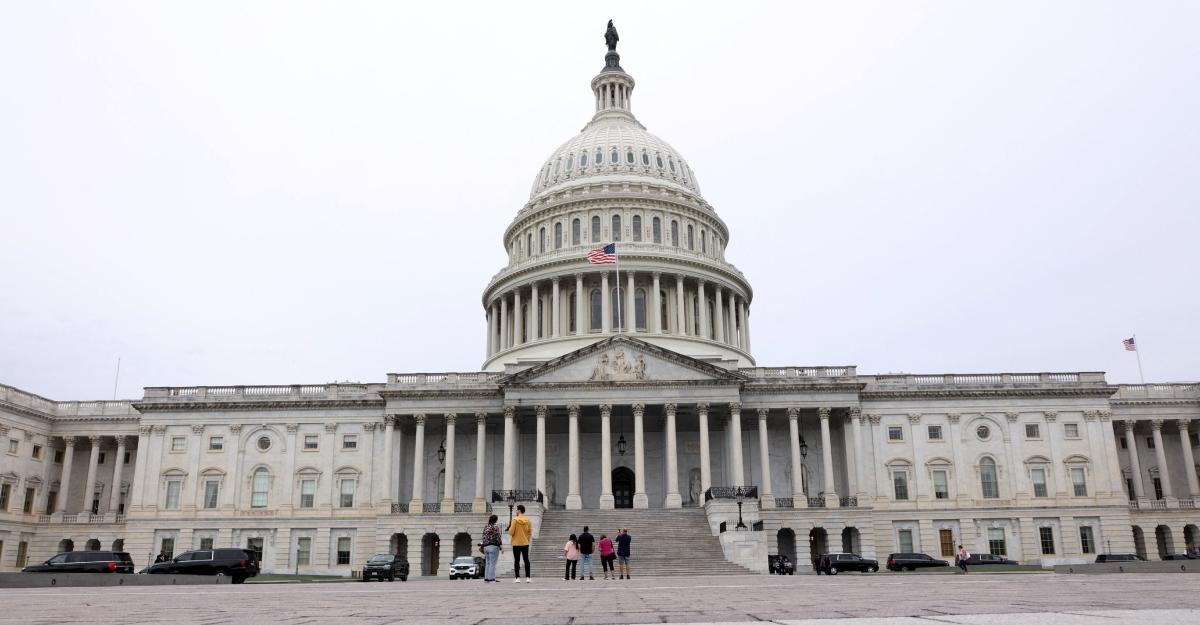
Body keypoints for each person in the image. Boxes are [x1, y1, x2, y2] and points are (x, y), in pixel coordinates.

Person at [508, 504, 533, 582]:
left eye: (516, 510)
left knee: (517, 561)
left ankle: (517, 578)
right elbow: (530, 532)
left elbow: (511, 532)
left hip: (516, 543)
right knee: (526, 560)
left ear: (519, 510)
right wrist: (527, 539)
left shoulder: (515, 520)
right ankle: (528, 577)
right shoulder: (528, 520)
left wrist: (510, 530)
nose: (516, 511)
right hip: (525, 543)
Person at [481, 514, 503, 582]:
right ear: (496, 520)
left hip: (486, 547)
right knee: (493, 563)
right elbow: (498, 537)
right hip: (493, 546)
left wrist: (483, 546)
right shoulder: (495, 527)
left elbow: (483, 537)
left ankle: (486, 578)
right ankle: (491, 578)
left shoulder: (486, 526)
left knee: (487, 563)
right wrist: (501, 546)